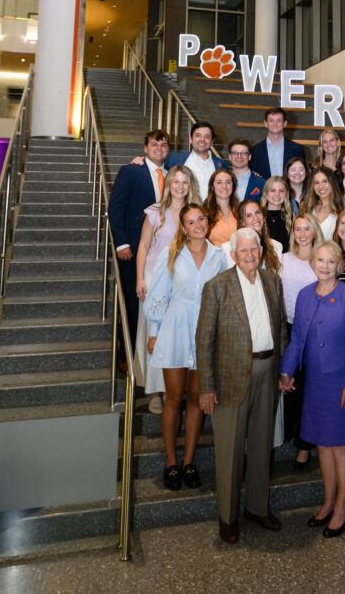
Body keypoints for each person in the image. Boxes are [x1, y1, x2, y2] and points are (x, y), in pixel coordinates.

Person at [197, 227, 287, 544]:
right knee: (230, 452)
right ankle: (228, 516)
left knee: (262, 445)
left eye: (254, 249)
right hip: (230, 379)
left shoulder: (273, 282)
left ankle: (257, 508)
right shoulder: (217, 287)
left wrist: (284, 369)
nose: (250, 255)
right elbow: (204, 341)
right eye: (243, 251)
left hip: (268, 370)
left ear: (261, 251)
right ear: (233, 254)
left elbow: (280, 329)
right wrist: (206, 388)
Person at [280, 240, 345, 537]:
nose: (325, 266)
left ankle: (343, 505)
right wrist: (286, 371)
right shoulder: (305, 295)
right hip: (315, 383)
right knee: (323, 445)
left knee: (341, 446)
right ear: (312, 263)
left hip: (341, 383)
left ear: (339, 265)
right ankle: (328, 501)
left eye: (331, 261)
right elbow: (297, 340)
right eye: (320, 260)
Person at [146, 203, 228, 491]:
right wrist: (154, 331)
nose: (197, 225)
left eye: (201, 220)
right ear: (183, 227)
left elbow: (225, 295)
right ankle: (171, 462)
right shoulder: (172, 253)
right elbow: (158, 294)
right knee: (174, 396)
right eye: (190, 222)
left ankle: (189, 460)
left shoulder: (219, 256)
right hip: (176, 328)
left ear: (207, 221)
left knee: (196, 397)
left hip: (205, 331)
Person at [135, 165, 200, 412]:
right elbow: (143, 246)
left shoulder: (195, 213)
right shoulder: (155, 212)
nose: (181, 187)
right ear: (169, 184)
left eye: (185, 182)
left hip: (182, 283)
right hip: (155, 280)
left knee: (175, 337)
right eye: (176, 182)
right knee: (155, 336)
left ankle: (175, 389)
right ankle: (154, 392)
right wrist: (140, 278)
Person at [108, 129, 170, 355]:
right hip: (134, 249)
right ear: (145, 148)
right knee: (132, 302)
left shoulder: (173, 175)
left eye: (163, 145)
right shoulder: (131, 171)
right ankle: (126, 354)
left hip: (163, 251)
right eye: (154, 145)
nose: (159, 149)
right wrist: (121, 243)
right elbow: (115, 209)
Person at [280, 213, 323, 469]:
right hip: (287, 328)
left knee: (309, 389)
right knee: (290, 386)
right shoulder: (284, 259)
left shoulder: (321, 260)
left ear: (314, 231)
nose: (303, 233)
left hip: (315, 331)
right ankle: (288, 433)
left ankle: (304, 446)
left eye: (307, 229)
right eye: (298, 229)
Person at [165, 121, 227, 202]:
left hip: (211, 213)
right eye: (198, 135)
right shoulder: (174, 159)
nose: (202, 140)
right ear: (190, 139)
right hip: (182, 211)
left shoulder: (221, 164)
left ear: (212, 142)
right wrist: (144, 160)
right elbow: (155, 164)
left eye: (207, 137)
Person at [250, 106, 306, 181]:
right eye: (271, 121)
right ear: (265, 123)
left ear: (285, 123)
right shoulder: (255, 150)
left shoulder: (297, 149)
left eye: (279, 121)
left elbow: (304, 176)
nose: (275, 124)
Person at [232, 198, 283, 273]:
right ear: (242, 222)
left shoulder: (276, 246)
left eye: (257, 212)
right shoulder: (231, 247)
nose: (255, 218)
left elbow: (278, 279)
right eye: (249, 215)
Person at [302, 166, 344, 241]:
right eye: (316, 183)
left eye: (325, 181)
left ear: (332, 183)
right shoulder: (306, 207)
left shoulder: (342, 210)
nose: (321, 186)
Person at [204, 167, 239, 245]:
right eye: (219, 182)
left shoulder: (240, 211)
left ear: (233, 186)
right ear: (212, 186)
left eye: (228, 182)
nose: (224, 186)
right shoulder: (204, 212)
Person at [260, 175, 294, 252]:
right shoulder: (258, 215)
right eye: (272, 190)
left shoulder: (290, 216)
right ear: (266, 192)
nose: (277, 194)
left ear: (286, 194)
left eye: (281, 191)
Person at [228, 138, 265, 202]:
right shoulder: (221, 181)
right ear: (230, 156)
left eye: (244, 153)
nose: (239, 156)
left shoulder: (262, 183)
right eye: (235, 153)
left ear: (249, 156)